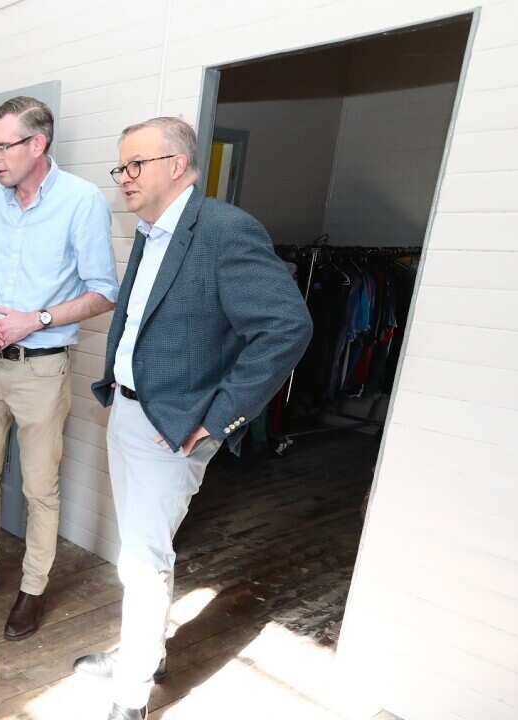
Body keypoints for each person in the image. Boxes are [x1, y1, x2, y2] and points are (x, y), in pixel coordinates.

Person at [74, 117, 312, 720]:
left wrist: (219, 417)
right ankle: (144, 653)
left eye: (135, 165)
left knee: (142, 558)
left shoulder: (226, 231)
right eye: (120, 167)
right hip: (128, 408)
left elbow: (287, 328)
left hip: (173, 427)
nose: (123, 178)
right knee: (141, 548)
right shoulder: (152, 231)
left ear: (176, 166)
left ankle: (131, 696)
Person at [0, 96, 119, 642]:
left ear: (37, 145)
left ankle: (33, 588)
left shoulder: (83, 201)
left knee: (40, 488)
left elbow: (103, 292)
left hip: (42, 369)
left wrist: (35, 319)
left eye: (1, 146)